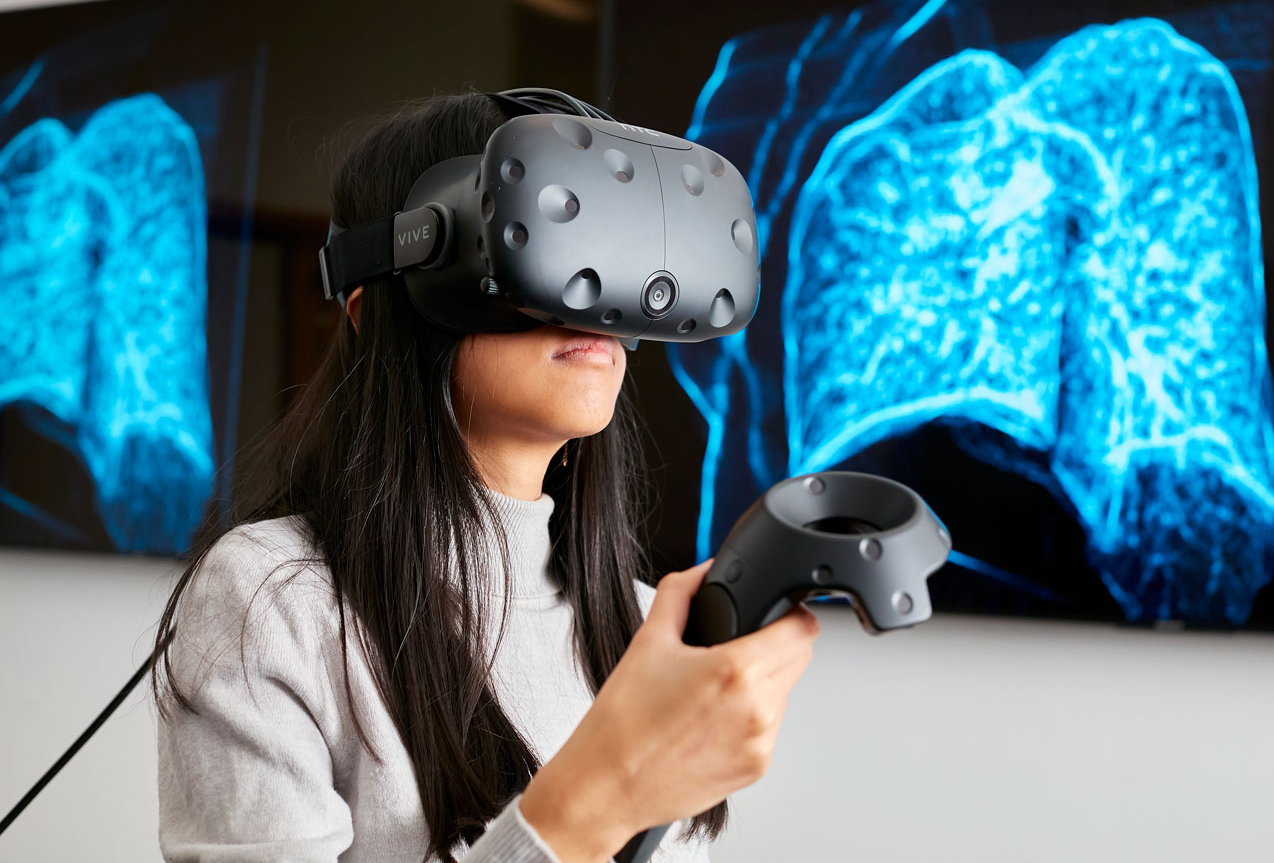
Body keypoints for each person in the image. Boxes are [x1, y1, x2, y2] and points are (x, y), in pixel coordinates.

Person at [152, 91, 820, 863]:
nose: (590, 302)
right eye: (543, 239)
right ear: (378, 305)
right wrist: (601, 796)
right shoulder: (273, 602)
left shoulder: (641, 623)